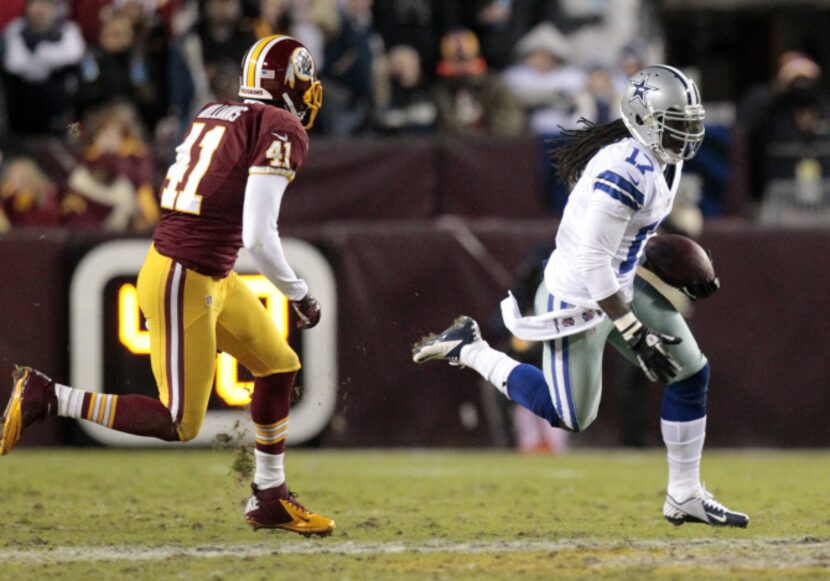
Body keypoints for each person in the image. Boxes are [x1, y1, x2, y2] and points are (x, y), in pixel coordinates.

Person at [0, 35, 334, 536]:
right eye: (303, 82)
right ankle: (49, 396)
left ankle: (270, 496)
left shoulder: (217, 111)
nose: (309, 94)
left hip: (204, 269)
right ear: (287, 85)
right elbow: (260, 238)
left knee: (279, 365)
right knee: (180, 420)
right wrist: (299, 293)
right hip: (186, 273)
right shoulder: (279, 126)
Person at [413, 65, 749, 528]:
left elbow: (625, 241)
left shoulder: (662, 160)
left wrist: (668, 264)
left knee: (691, 373)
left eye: (691, 119)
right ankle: (469, 348)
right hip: (576, 298)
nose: (689, 131)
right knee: (569, 415)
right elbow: (593, 262)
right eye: (677, 120)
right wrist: (634, 330)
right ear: (645, 120)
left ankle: (685, 494)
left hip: (619, 283)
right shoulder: (625, 171)